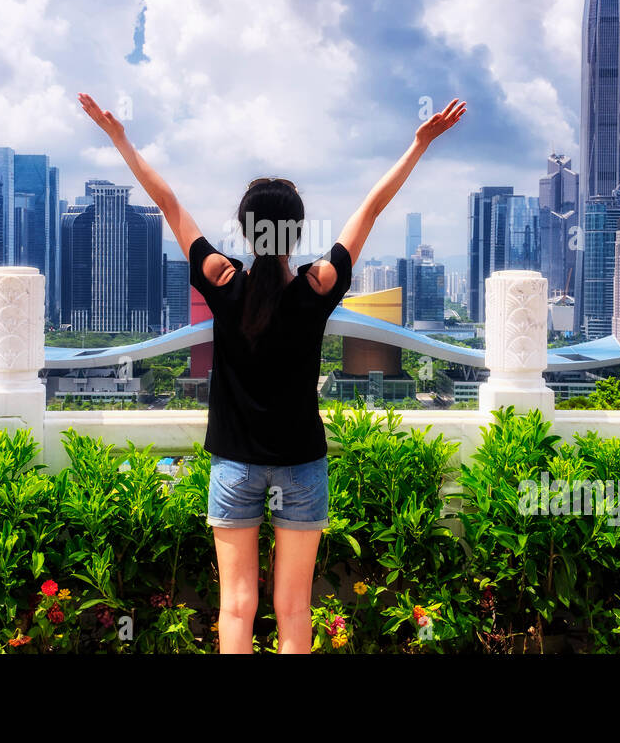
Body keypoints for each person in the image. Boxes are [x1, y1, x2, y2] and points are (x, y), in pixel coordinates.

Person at [77, 92, 466, 653]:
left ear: (245, 228)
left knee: (235, 607)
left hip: (234, 466)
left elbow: (168, 203)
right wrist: (418, 144)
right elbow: (372, 209)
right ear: (297, 231)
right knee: (294, 609)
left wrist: (119, 139)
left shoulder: (220, 276)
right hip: (301, 468)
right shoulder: (318, 286)